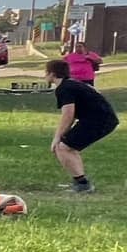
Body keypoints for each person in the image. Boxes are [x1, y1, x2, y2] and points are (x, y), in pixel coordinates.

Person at [46, 57, 118, 193]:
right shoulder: (71, 84)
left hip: (99, 120)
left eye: (46, 72)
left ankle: (83, 185)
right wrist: (62, 136)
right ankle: (80, 182)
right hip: (102, 118)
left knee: (62, 148)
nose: (45, 76)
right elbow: (71, 116)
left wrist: (56, 138)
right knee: (68, 148)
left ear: (52, 74)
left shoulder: (64, 88)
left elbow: (68, 114)